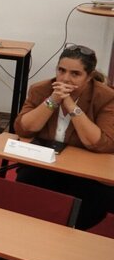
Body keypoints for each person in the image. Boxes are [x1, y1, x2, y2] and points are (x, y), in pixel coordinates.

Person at [13, 44, 113, 230]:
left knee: (95, 199)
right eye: (61, 70)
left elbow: (101, 143)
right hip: (46, 164)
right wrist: (53, 100)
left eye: (75, 74)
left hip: (87, 171)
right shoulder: (40, 89)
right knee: (26, 181)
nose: (65, 78)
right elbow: (23, 129)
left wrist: (71, 105)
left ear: (89, 76)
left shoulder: (106, 97)